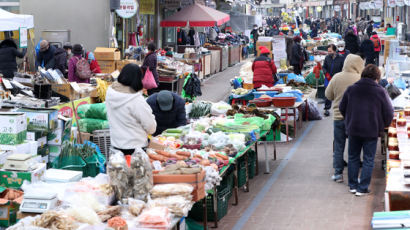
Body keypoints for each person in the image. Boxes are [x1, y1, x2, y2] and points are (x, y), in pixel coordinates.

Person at [339, 64, 393, 196]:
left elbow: (342, 107)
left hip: (354, 129)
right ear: (377, 77)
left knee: (353, 157)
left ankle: (352, 185)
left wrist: (350, 119)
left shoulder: (351, 89)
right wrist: (383, 124)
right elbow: (389, 112)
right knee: (369, 159)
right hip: (371, 130)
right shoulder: (380, 91)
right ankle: (362, 188)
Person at [325, 54, 364, 183]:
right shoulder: (360, 79)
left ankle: (338, 174)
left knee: (339, 145)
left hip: (338, 117)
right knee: (355, 146)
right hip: (356, 119)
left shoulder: (336, 77)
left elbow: (328, 95)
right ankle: (355, 173)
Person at [106, 63, 157, 155]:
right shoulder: (136, 100)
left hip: (116, 146)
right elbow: (151, 128)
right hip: (135, 148)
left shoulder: (110, 93)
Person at [322, 44, 345, 116]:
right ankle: (326, 109)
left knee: (339, 94)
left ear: (335, 51)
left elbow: (343, 68)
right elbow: (324, 67)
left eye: (330, 51)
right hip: (328, 78)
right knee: (327, 93)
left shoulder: (341, 58)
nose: (329, 53)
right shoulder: (327, 58)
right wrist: (326, 74)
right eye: (328, 51)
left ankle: (341, 109)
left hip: (337, 78)